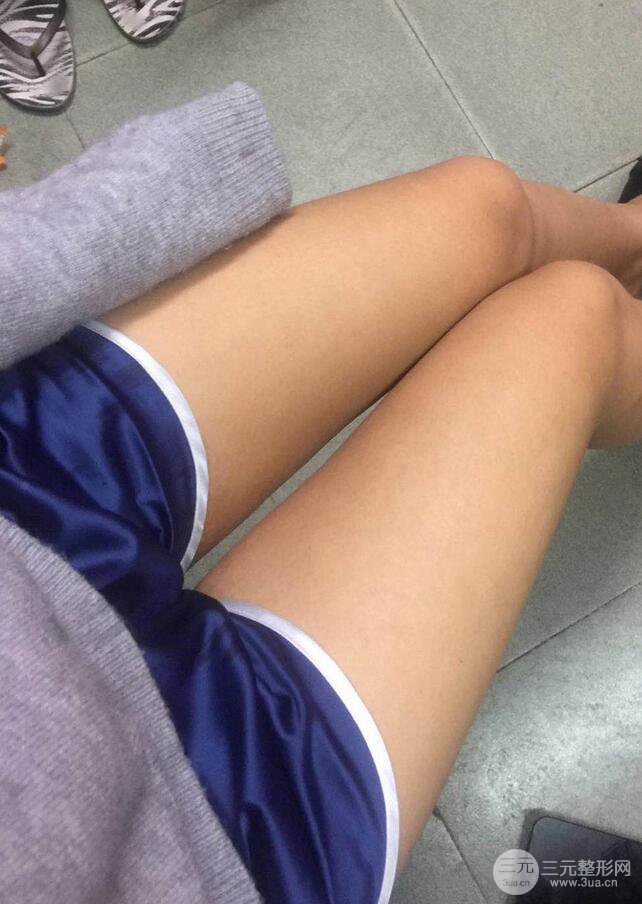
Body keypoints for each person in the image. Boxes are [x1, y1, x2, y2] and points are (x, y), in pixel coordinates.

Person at [1, 82, 641, 903]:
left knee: (484, 207)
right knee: (574, 320)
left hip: (24, 485)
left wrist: (130, 207)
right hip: (200, 830)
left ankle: (633, 236)